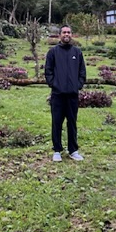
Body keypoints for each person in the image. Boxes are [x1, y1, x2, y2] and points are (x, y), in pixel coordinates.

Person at [44, 24, 86, 162]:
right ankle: (57, 150)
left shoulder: (77, 52)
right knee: (57, 122)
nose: (66, 34)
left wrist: (78, 85)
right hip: (58, 95)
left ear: (71, 34)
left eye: (69, 32)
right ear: (60, 35)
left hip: (72, 95)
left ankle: (73, 150)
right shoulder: (53, 52)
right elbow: (48, 71)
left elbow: (82, 71)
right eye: (64, 32)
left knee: (72, 123)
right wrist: (54, 85)